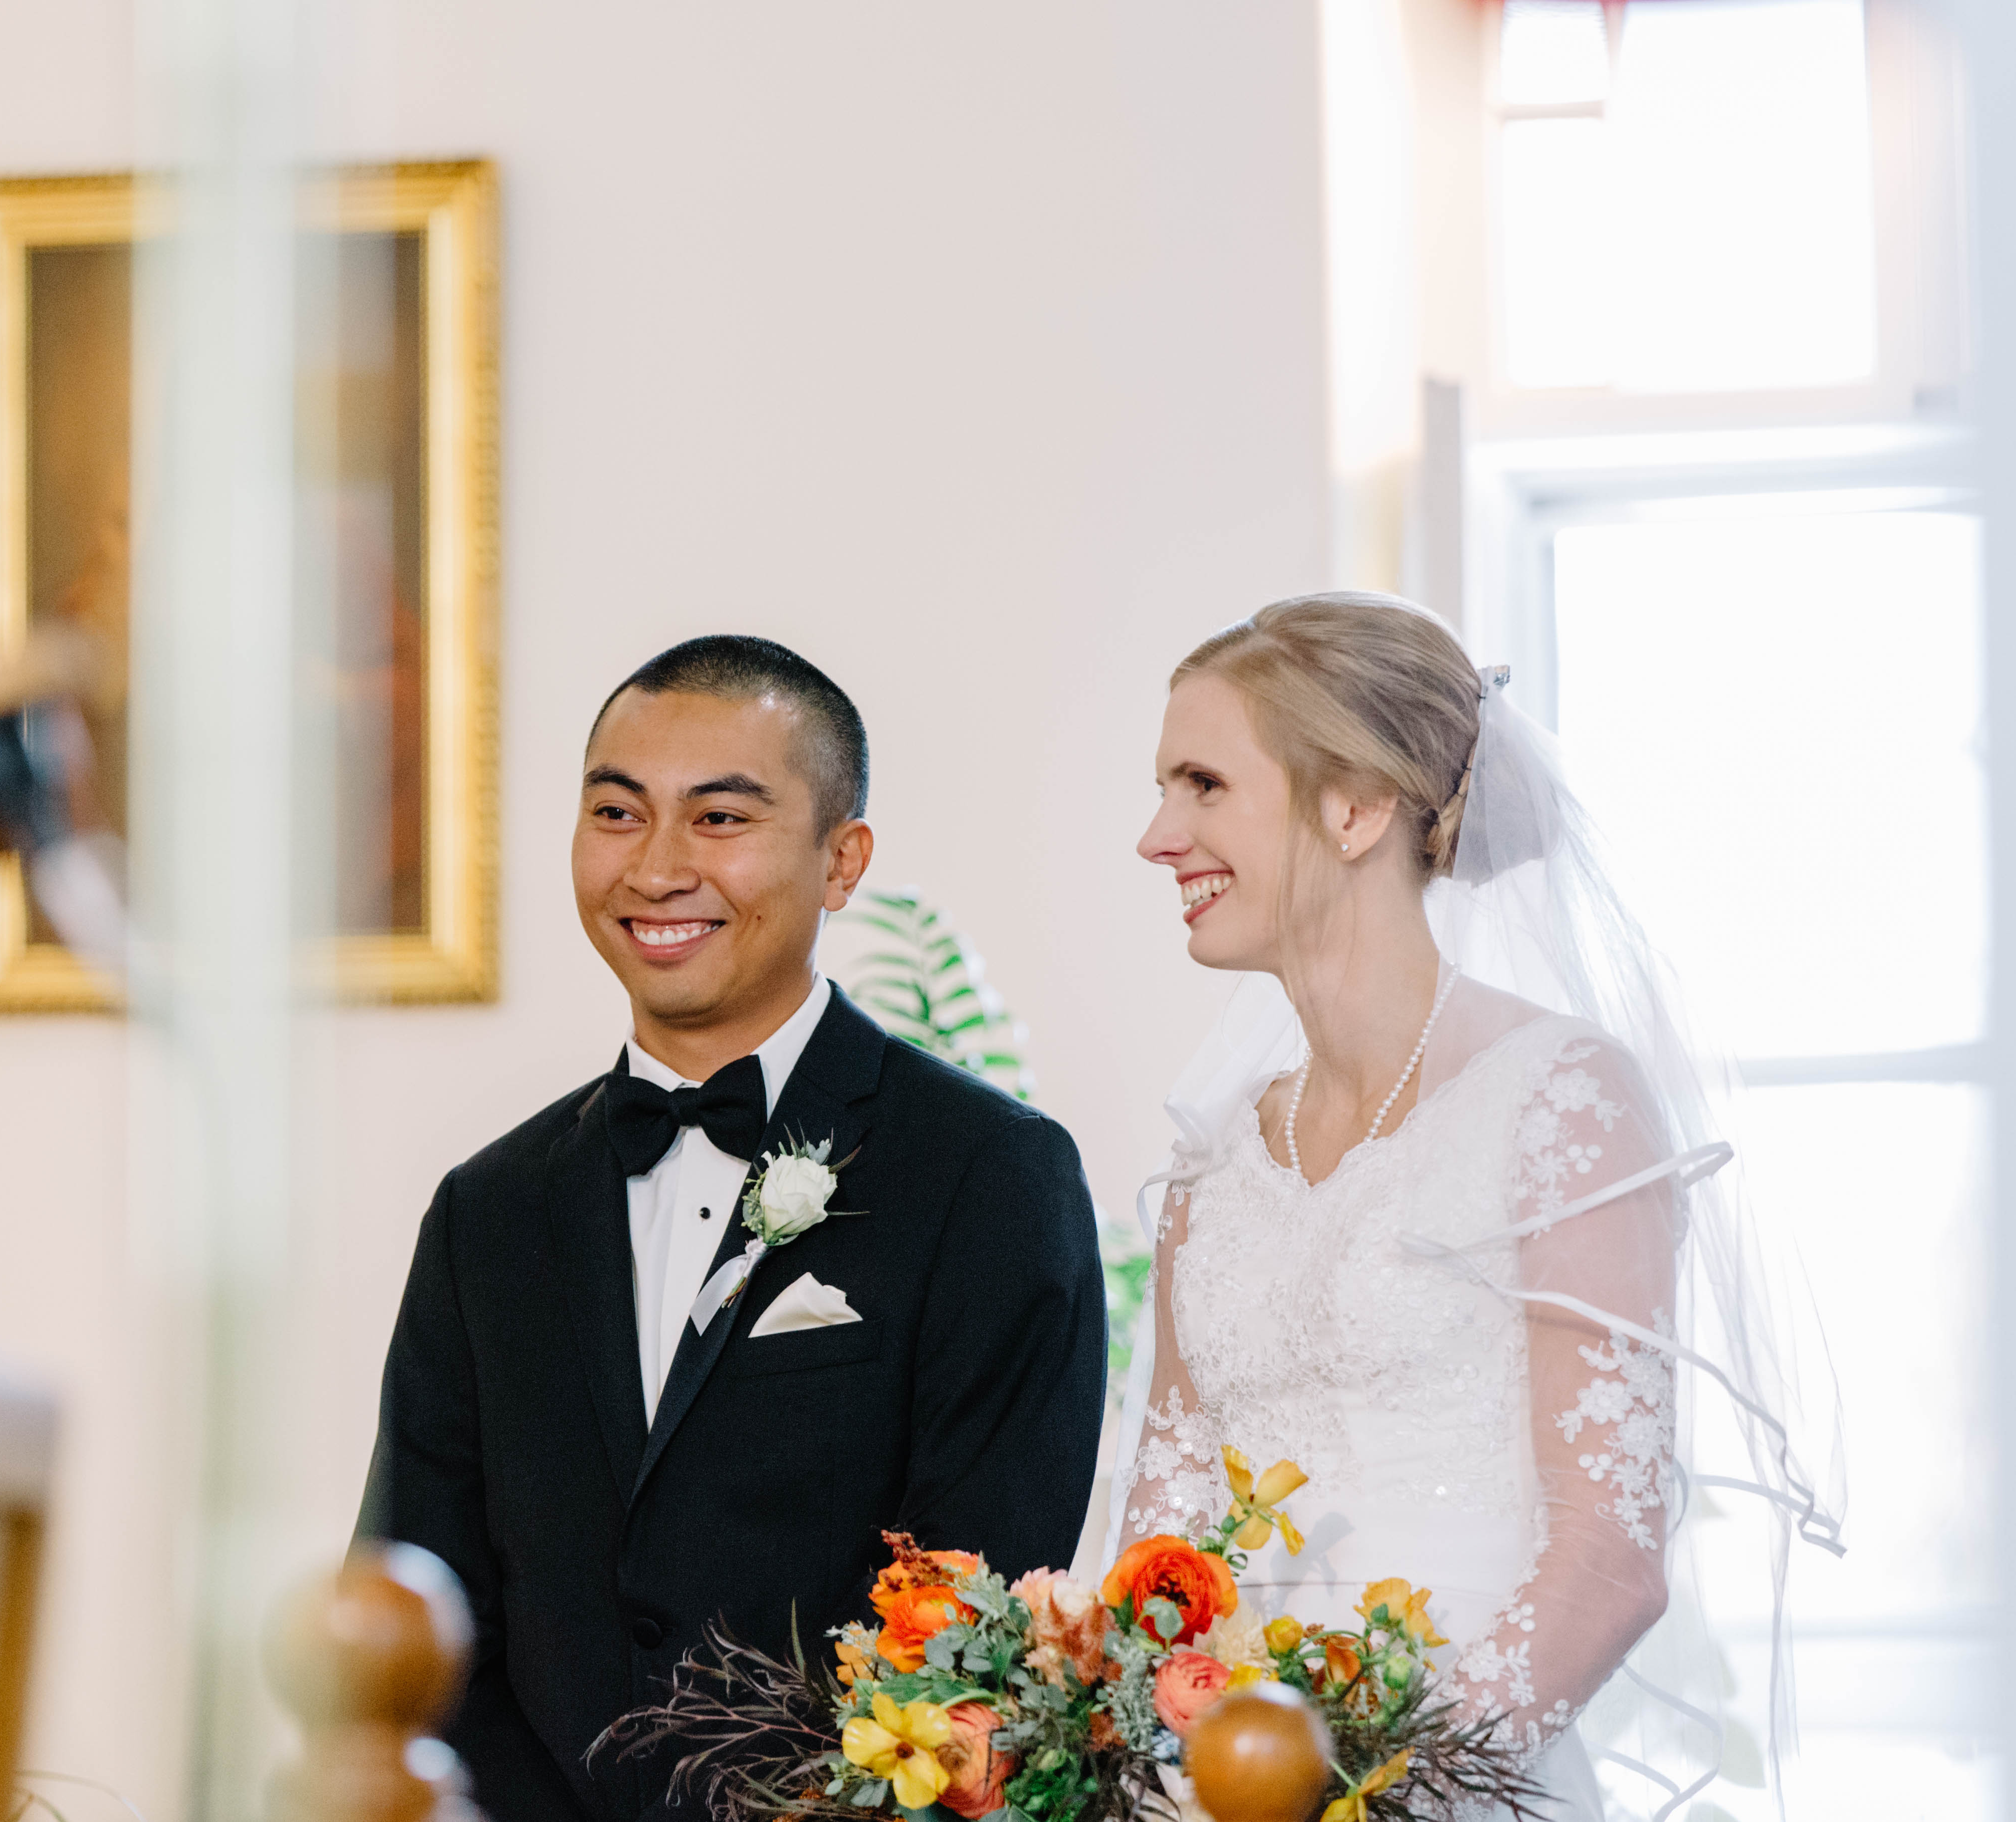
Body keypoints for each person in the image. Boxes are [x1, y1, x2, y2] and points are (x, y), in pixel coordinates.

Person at [1112, 594, 1842, 1820]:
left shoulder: (1559, 1098)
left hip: (1462, 1777)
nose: (1156, 835)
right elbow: (1162, 1532)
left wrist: (1390, 1796)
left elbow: (1608, 1558)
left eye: (1203, 784)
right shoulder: (1216, 1163)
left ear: (1355, 805)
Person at [362, 634, 1105, 1822]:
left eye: (719, 819)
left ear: (842, 859)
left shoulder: (990, 1175)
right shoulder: (487, 1208)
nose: (657, 868)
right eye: (617, 811)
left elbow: (979, 1621)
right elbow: (417, 1606)